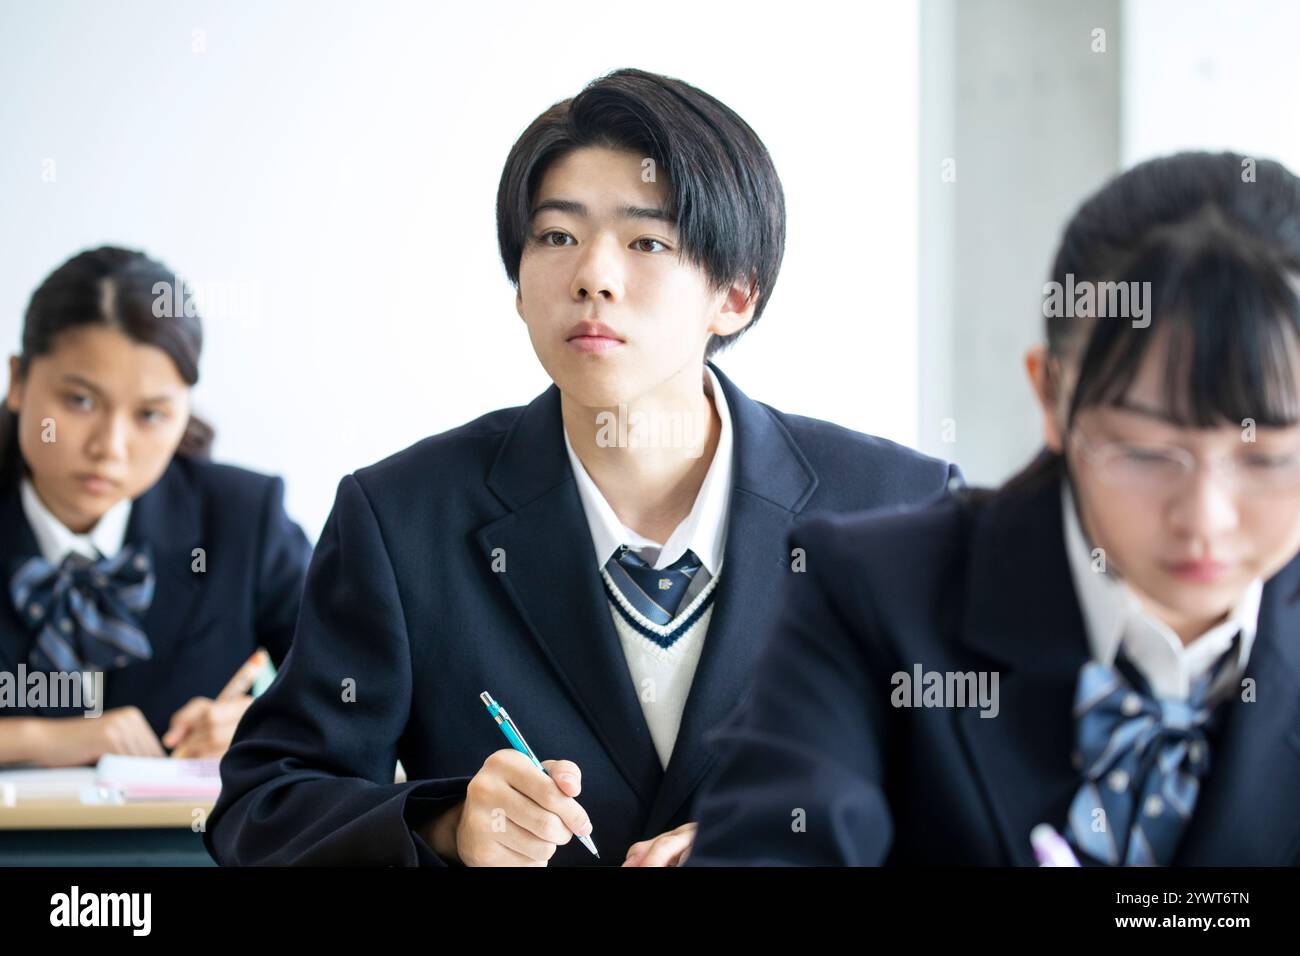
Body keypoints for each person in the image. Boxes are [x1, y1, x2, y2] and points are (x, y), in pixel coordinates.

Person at [206, 67, 960, 867]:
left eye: (647, 241)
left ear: (735, 295)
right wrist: (445, 825)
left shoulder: (902, 510)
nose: (593, 275)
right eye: (557, 236)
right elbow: (266, 807)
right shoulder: (402, 518)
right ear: (521, 285)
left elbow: (999, 802)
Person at [689, 150, 1300, 866]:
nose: (1205, 518)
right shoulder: (875, 597)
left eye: (1267, 460)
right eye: (1145, 453)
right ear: (1052, 397)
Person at [0, 247, 311, 766]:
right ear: (18, 381)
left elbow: (358, 695)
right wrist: (41, 740)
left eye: (149, 415)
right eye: (79, 401)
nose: (110, 447)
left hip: (189, 844)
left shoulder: (244, 518)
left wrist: (262, 722)